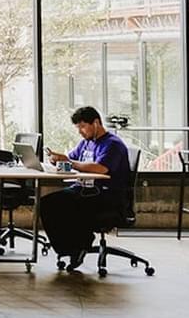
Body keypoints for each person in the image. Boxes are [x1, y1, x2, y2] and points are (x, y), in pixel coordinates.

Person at [40, 105, 133, 269]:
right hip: (85, 190)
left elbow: (100, 168)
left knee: (58, 204)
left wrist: (70, 162)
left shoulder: (112, 144)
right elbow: (73, 161)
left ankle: (78, 245)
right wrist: (58, 160)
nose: (80, 132)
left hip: (106, 196)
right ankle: (72, 247)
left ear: (96, 123)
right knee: (47, 203)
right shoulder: (86, 143)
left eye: (83, 126)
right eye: (78, 128)